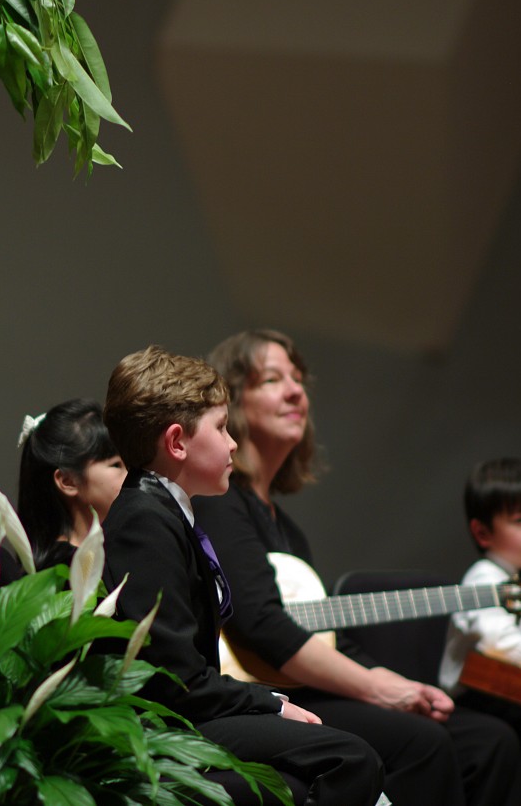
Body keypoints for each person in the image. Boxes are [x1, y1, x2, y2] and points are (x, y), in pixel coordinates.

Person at [193, 329, 521, 806]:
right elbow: (262, 624)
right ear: (233, 402)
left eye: (299, 379)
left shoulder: (285, 528)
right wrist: (378, 688)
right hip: (267, 695)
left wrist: (400, 684)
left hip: (307, 683)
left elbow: (326, 634)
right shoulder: (223, 505)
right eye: (272, 379)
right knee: (420, 744)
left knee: (490, 741)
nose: (295, 390)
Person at [100, 345, 384, 806]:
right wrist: (269, 703)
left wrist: (266, 704)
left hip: (193, 714)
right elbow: (175, 678)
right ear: (177, 443)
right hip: (171, 725)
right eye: (221, 428)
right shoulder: (144, 520)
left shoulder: (163, 510)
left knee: (334, 754)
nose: (233, 443)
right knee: (347, 757)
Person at [440, 457, 521, 805]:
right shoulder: (483, 578)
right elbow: (497, 642)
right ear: (482, 532)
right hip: (483, 701)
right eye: (520, 520)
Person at [15, 398, 127, 571]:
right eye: (116, 464)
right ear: (67, 481)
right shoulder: (60, 572)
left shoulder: (118, 548)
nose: (131, 474)